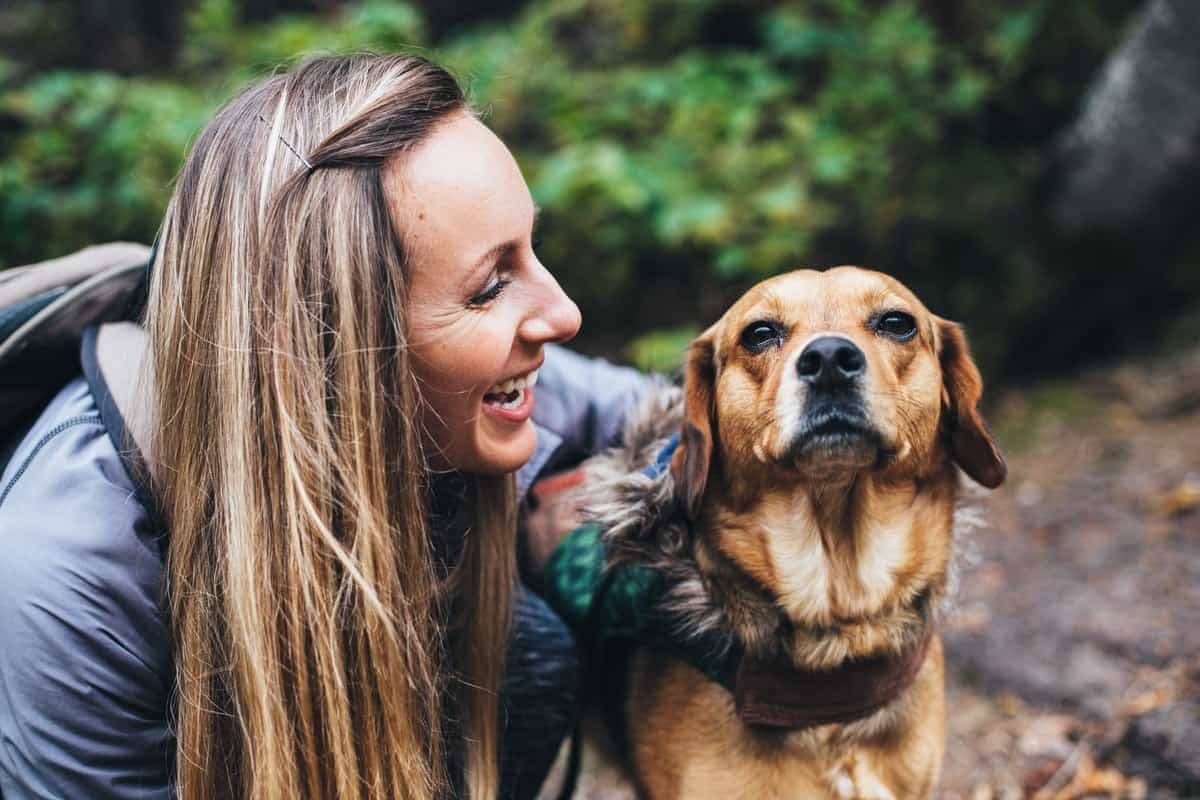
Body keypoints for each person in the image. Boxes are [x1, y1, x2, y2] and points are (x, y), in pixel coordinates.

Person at [0, 54, 652, 800]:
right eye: (491, 286)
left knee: (523, 647)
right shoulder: (71, 575)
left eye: (533, 251)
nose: (564, 315)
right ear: (334, 347)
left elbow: (684, 418)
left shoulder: (482, 372)